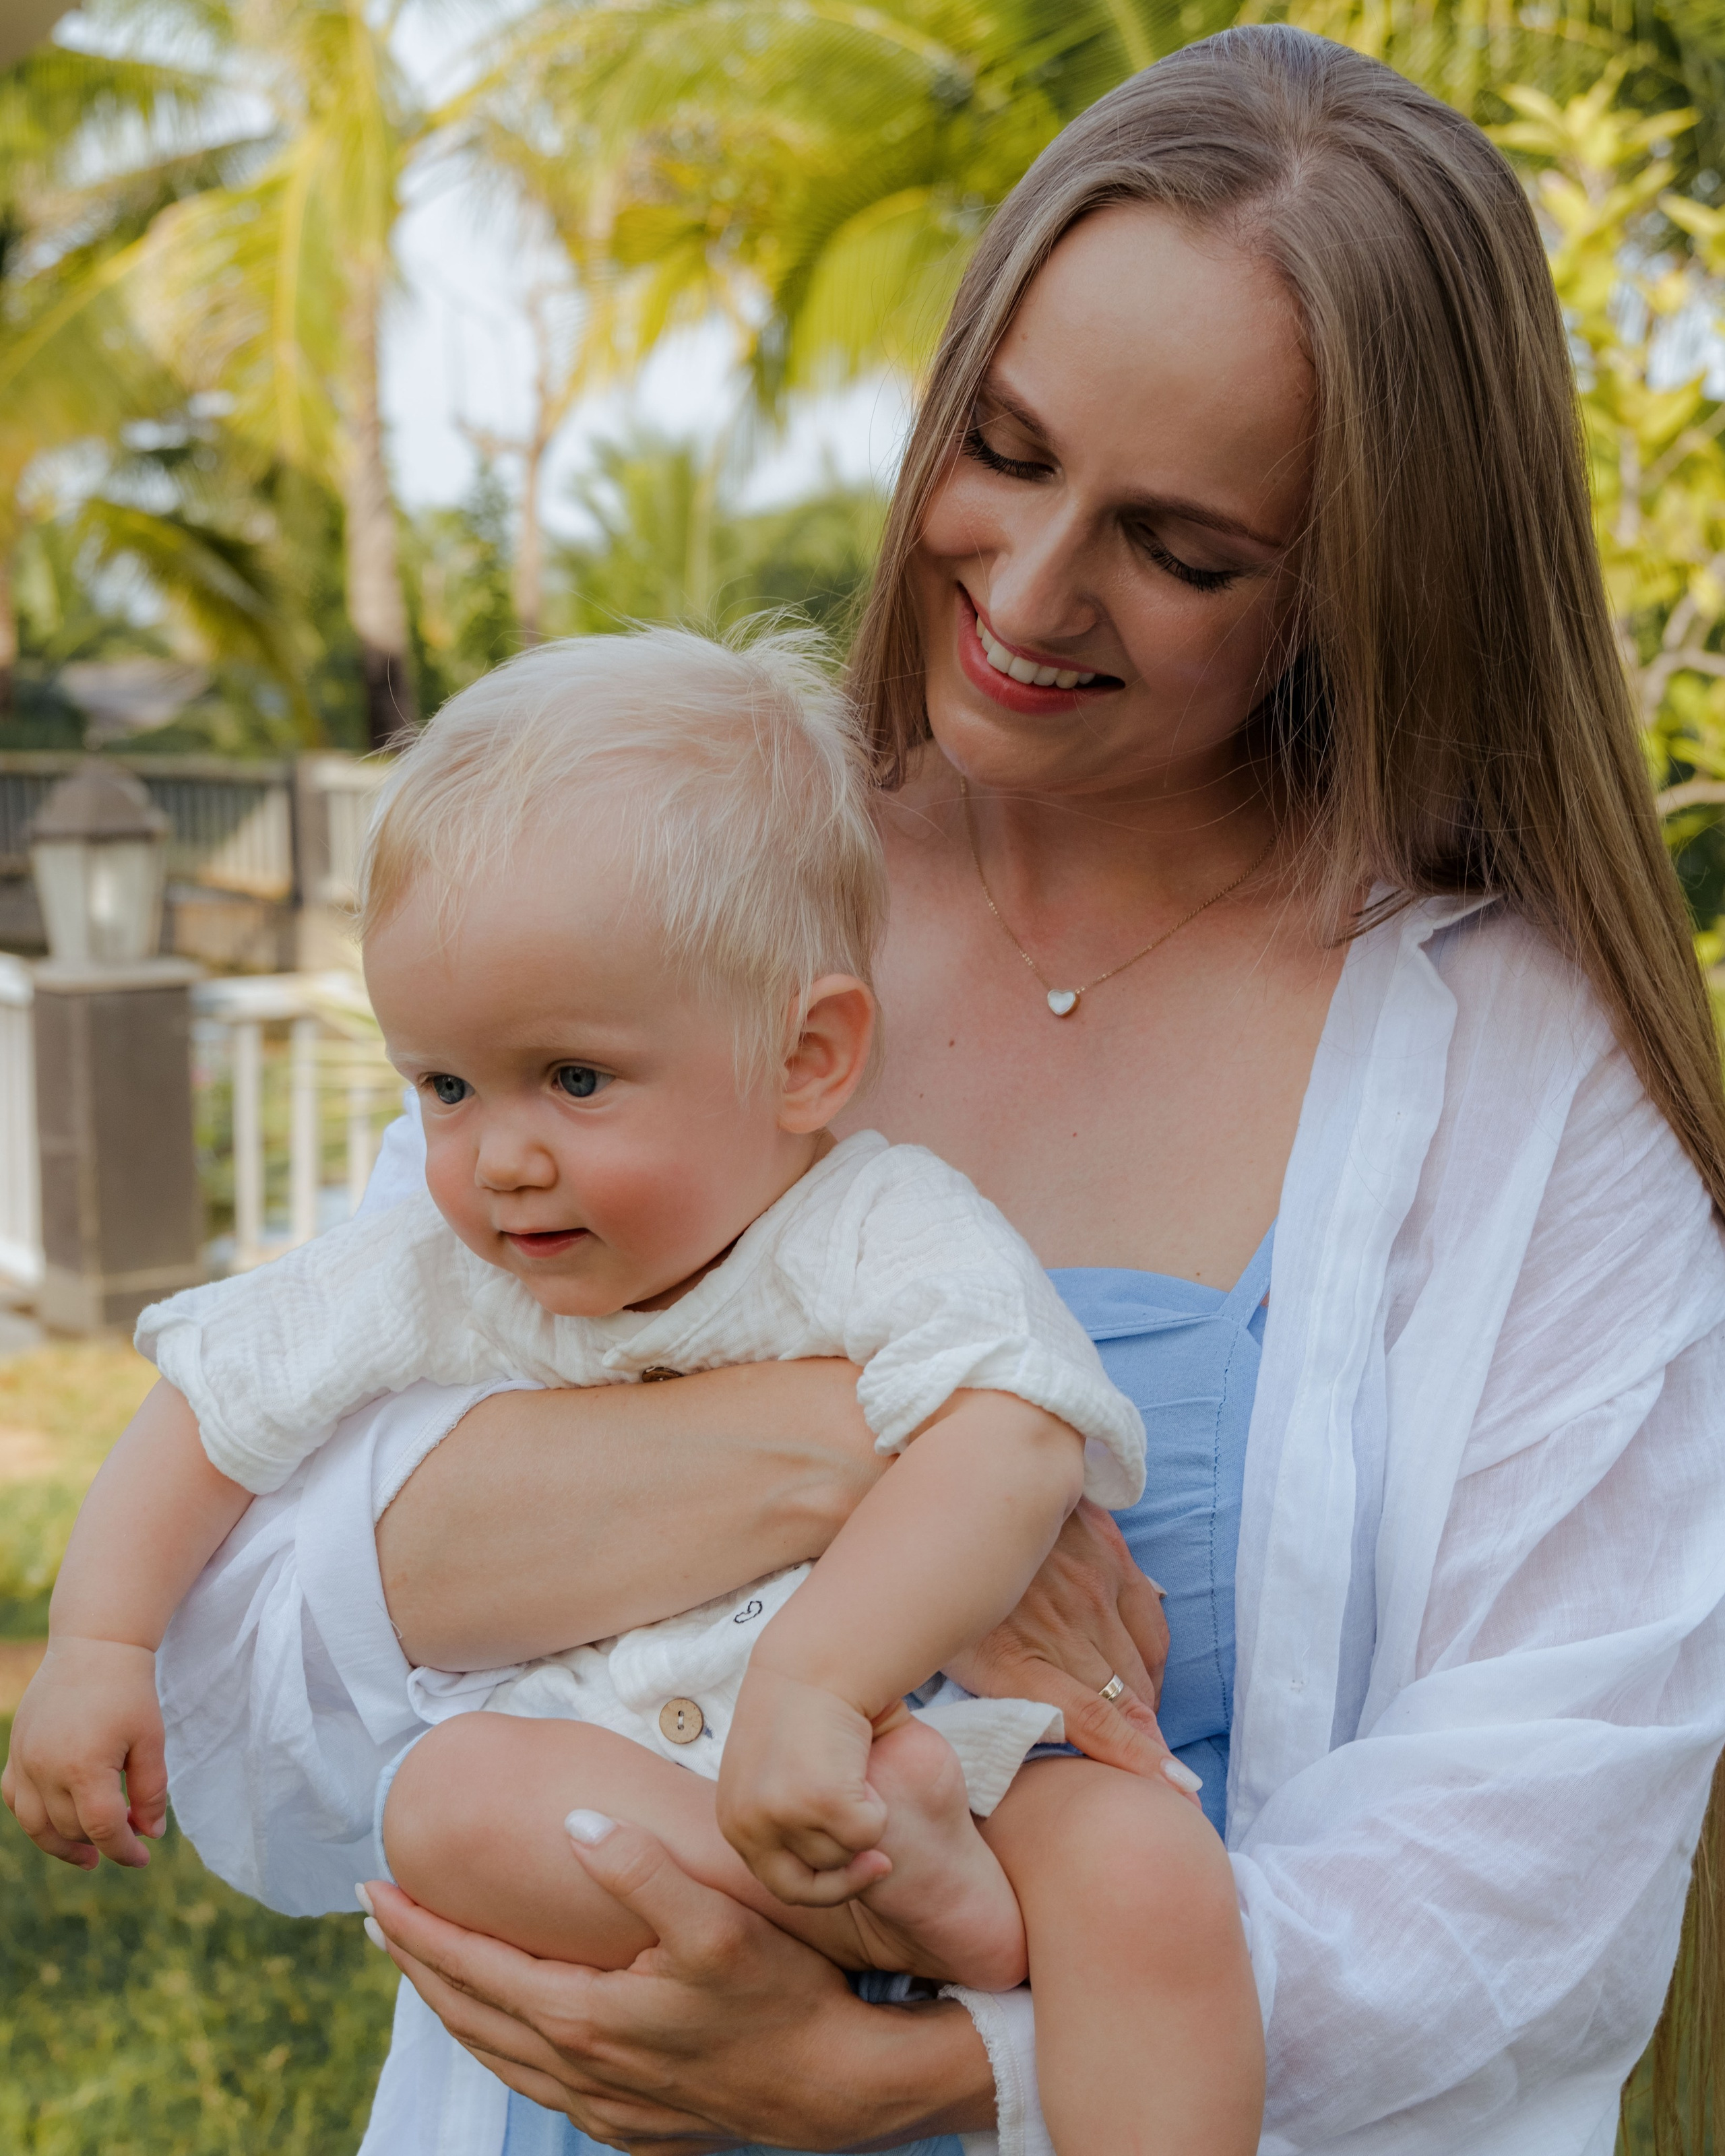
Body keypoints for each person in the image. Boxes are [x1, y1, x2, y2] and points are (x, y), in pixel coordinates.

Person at [96, 22, 1725, 2156]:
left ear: (1361, 581)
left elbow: (1546, 1849)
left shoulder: (1527, 1073)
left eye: (1184, 549)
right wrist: (889, 1471)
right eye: (1008, 447)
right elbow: (249, 1687)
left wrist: (931, 2074)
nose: (1032, 594)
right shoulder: (690, 900)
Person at [5, 625, 1265, 2154]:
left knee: (1145, 1874)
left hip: (935, 1750)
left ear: (804, 1058)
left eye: (575, 1079)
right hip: (639, 1779)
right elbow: (214, 1403)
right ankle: (906, 1931)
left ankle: (942, 1901)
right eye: (446, 1085)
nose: (498, 1154)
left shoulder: (876, 1226)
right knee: (446, 1807)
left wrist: (815, 1683)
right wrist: (101, 1639)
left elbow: (1010, 1427)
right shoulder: (446, 1257)